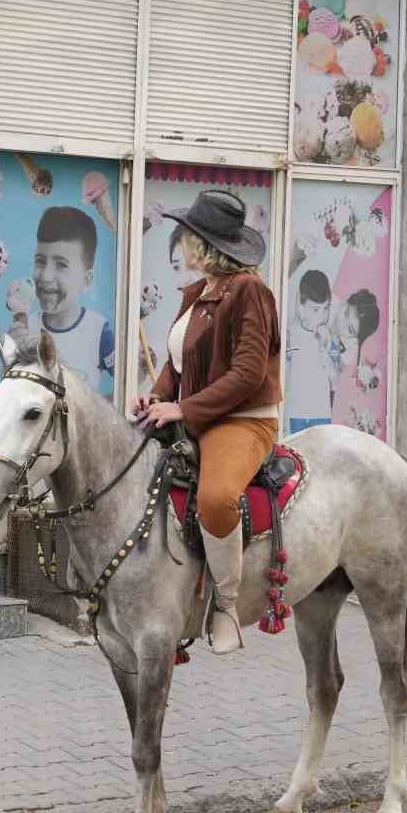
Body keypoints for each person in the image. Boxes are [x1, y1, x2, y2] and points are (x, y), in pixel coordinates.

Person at [130, 190, 282, 655]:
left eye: (188, 234)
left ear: (204, 243)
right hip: (198, 416)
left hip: (243, 420)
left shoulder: (251, 291)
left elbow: (248, 373)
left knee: (216, 498)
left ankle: (227, 607)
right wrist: (155, 397)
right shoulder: (197, 294)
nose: (181, 242)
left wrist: (184, 409)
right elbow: (177, 364)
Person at [31, 206, 115, 397]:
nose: (46, 276)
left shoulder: (100, 332)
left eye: (61, 265)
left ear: (86, 281)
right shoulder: (25, 329)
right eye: (40, 261)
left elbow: (131, 381)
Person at [286, 268, 334, 433]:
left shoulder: (328, 336)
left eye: (326, 308)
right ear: (301, 307)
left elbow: (335, 379)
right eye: (315, 309)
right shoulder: (290, 334)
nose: (322, 316)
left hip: (321, 412)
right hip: (296, 413)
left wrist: (324, 352)